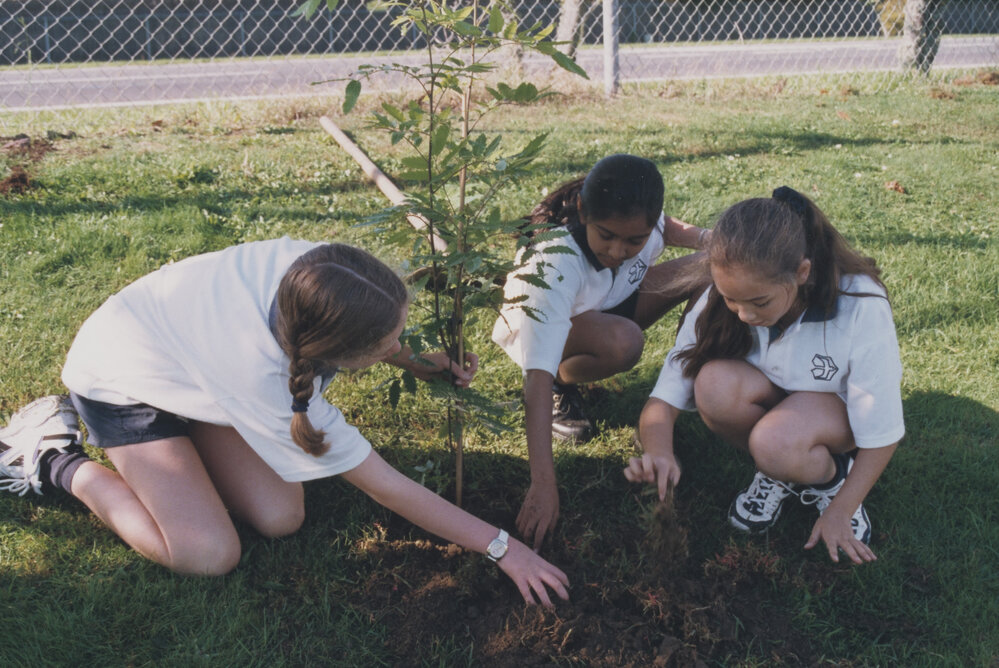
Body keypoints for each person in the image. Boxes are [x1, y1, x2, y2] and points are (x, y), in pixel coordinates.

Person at [0, 238, 569, 606]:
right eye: (390, 343)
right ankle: (53, 458)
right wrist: (503, 548)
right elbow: (387, 487)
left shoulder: (323, 272)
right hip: (122, 381)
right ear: (332, 351)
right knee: (207, 553)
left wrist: (420, 363)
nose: (401, 344)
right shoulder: (264, 377)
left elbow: (362, 326)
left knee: (279, 517)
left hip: (191, 367)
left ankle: (189, 438)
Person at [624, 187, 903, 565]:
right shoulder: (722, 297)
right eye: (731, 299)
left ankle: (830, 477)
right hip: (778, 405)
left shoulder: (859, 304)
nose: (744, 315)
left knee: (775, 441)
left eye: (760, 302)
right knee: (712, 384)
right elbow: (665, 397)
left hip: (837, 415)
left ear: (802, 272)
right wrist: (659, 451)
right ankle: (778, 469)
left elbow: (883, 431)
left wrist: (841, 507)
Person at [492, 154, 710, 551]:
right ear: (583, 212)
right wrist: (543, 483)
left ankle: (687, 377)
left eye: (634, 241)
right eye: (606, 235)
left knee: (714, 264)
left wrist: (705, 239)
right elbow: (534, 378)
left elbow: (666, 226)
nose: (618, 250)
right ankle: (567, 383)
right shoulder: (556, 262)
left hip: (610, 300)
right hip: (548, 331)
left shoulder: (641, 222)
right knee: (625, 342)